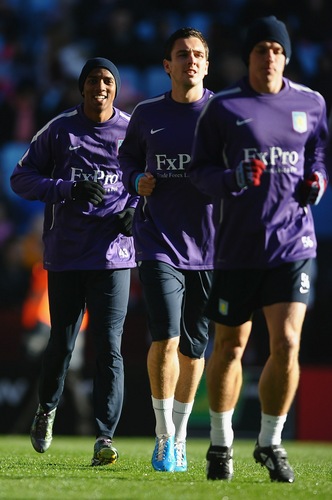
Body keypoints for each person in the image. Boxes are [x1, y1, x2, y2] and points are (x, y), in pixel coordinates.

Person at [189, 16, 328, 483]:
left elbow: (319, 153)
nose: (268, 56)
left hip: (293, 242)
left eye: (276, 49)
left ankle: (270, 442)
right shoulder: (224, 109)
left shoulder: (311, 103)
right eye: (260, 49)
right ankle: (221, 445)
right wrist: (230, 180)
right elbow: (199, 172)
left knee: (288, 342)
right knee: (231, 346)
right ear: (248, 56)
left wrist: (319, 179)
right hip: (237, 248)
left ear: (286, 56)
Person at [10, 57, 137, 466]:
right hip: (66, 256)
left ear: (115, 89)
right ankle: (46, 411)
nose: (101, 87)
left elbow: (150, 180)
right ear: (81, 87)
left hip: (115, 256)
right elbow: (21, 178)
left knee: (109, 348)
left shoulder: (133, 130)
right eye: (93, 80)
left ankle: (104, 437)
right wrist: (67, 188)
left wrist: (137, 207)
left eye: (107, 81)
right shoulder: (60, 129)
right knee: (62, 345)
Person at [118, 27, 215, 472]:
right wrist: (136, 180)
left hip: (212, 247)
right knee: (166, 336)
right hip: (157, 240)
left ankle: (180, 434)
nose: (190, 61)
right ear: (167, 65)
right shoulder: (147, 113)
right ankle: (163, 437)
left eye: (197, 55)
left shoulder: (223, 112)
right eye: (182, 54)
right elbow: (127, 161)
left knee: (194, 349)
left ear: (207, 64)